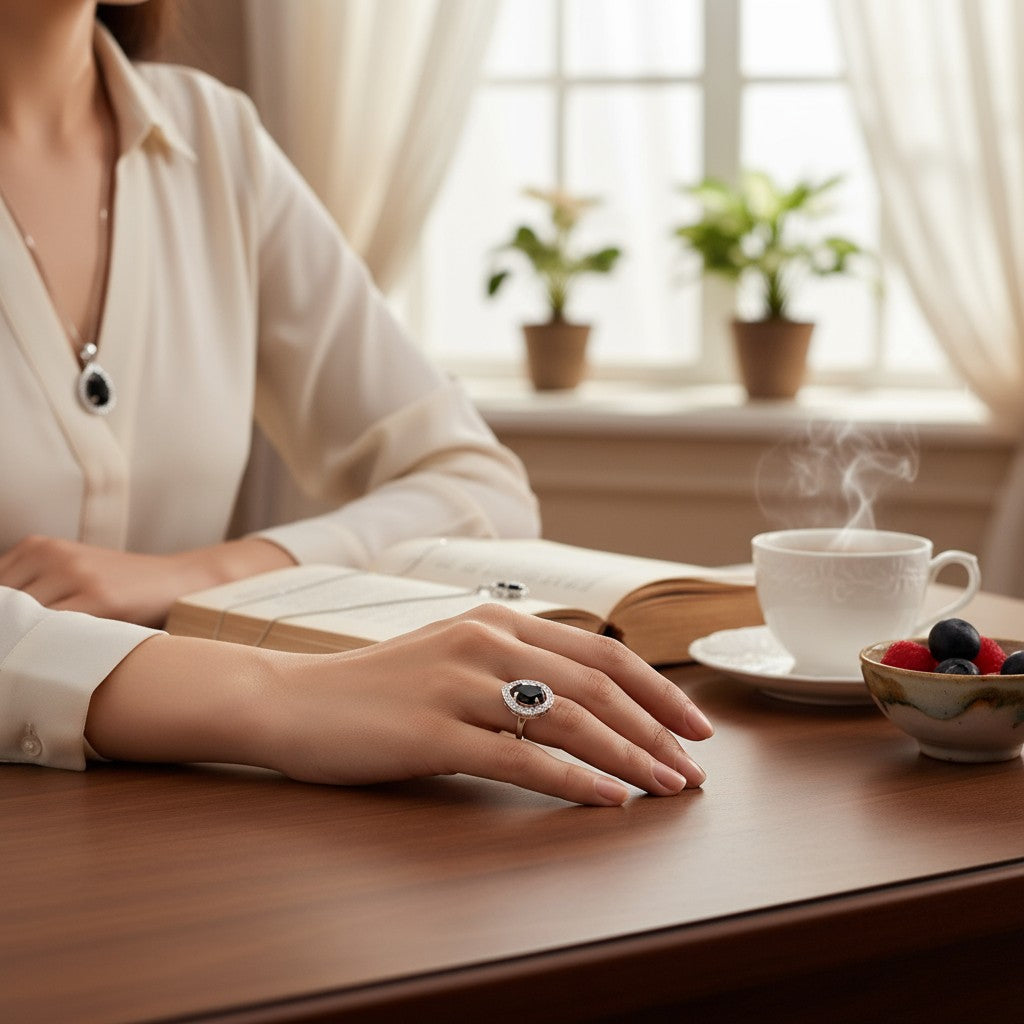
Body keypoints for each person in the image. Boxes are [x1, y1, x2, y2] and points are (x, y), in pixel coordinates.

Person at [0, 0, 712, 806]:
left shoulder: (213, 139)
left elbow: (477, 486)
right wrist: (281, 696)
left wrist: (195, 573)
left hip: (196, 809)